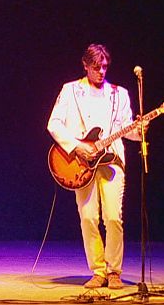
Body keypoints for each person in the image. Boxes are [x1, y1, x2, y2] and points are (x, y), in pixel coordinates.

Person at [47, 43, 145, 290]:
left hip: (111, 161)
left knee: (113, 217)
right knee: (89, 217)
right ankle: (98, 270)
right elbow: (54, 124)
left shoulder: (119, 93)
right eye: (96, 67)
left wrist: (139, 130)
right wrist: (76, 146)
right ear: (85, 65)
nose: (101, 71)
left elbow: (126, 128)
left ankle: (114, 271)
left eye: (104, 67)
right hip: (81, 163)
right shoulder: (70, 91)